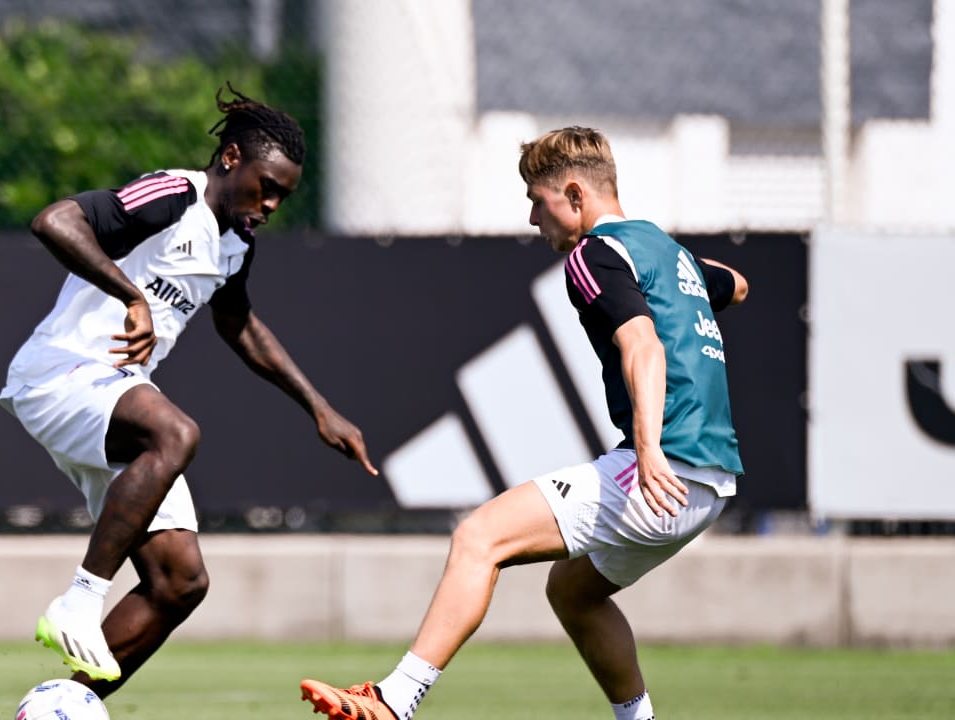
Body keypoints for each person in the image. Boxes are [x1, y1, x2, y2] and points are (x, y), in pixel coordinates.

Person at [299, 126, 748, 720]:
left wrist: (648, 450)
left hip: (665, 469)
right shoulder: (664, 250)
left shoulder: (592, 255)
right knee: (574, 592)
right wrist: (685, 271)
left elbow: (643, 345)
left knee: (479, 537)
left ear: (574, 194)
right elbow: (738, 286)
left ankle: (394, 700)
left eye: (537, 201)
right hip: (713, 481)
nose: (533, 218)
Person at [0, 83, 378, 697]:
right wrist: (132, 296)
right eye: (267, 186)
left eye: (284, 194)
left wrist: (319, 406)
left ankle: (64, 704)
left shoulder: (235, 243)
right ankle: (79, 600)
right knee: (176, 433)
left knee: (180, 581)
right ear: (230, 159)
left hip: (110, 397)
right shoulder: (175, 194)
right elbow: (55, 221)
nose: (273, 204)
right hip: (60, 374)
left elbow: (239, 324)